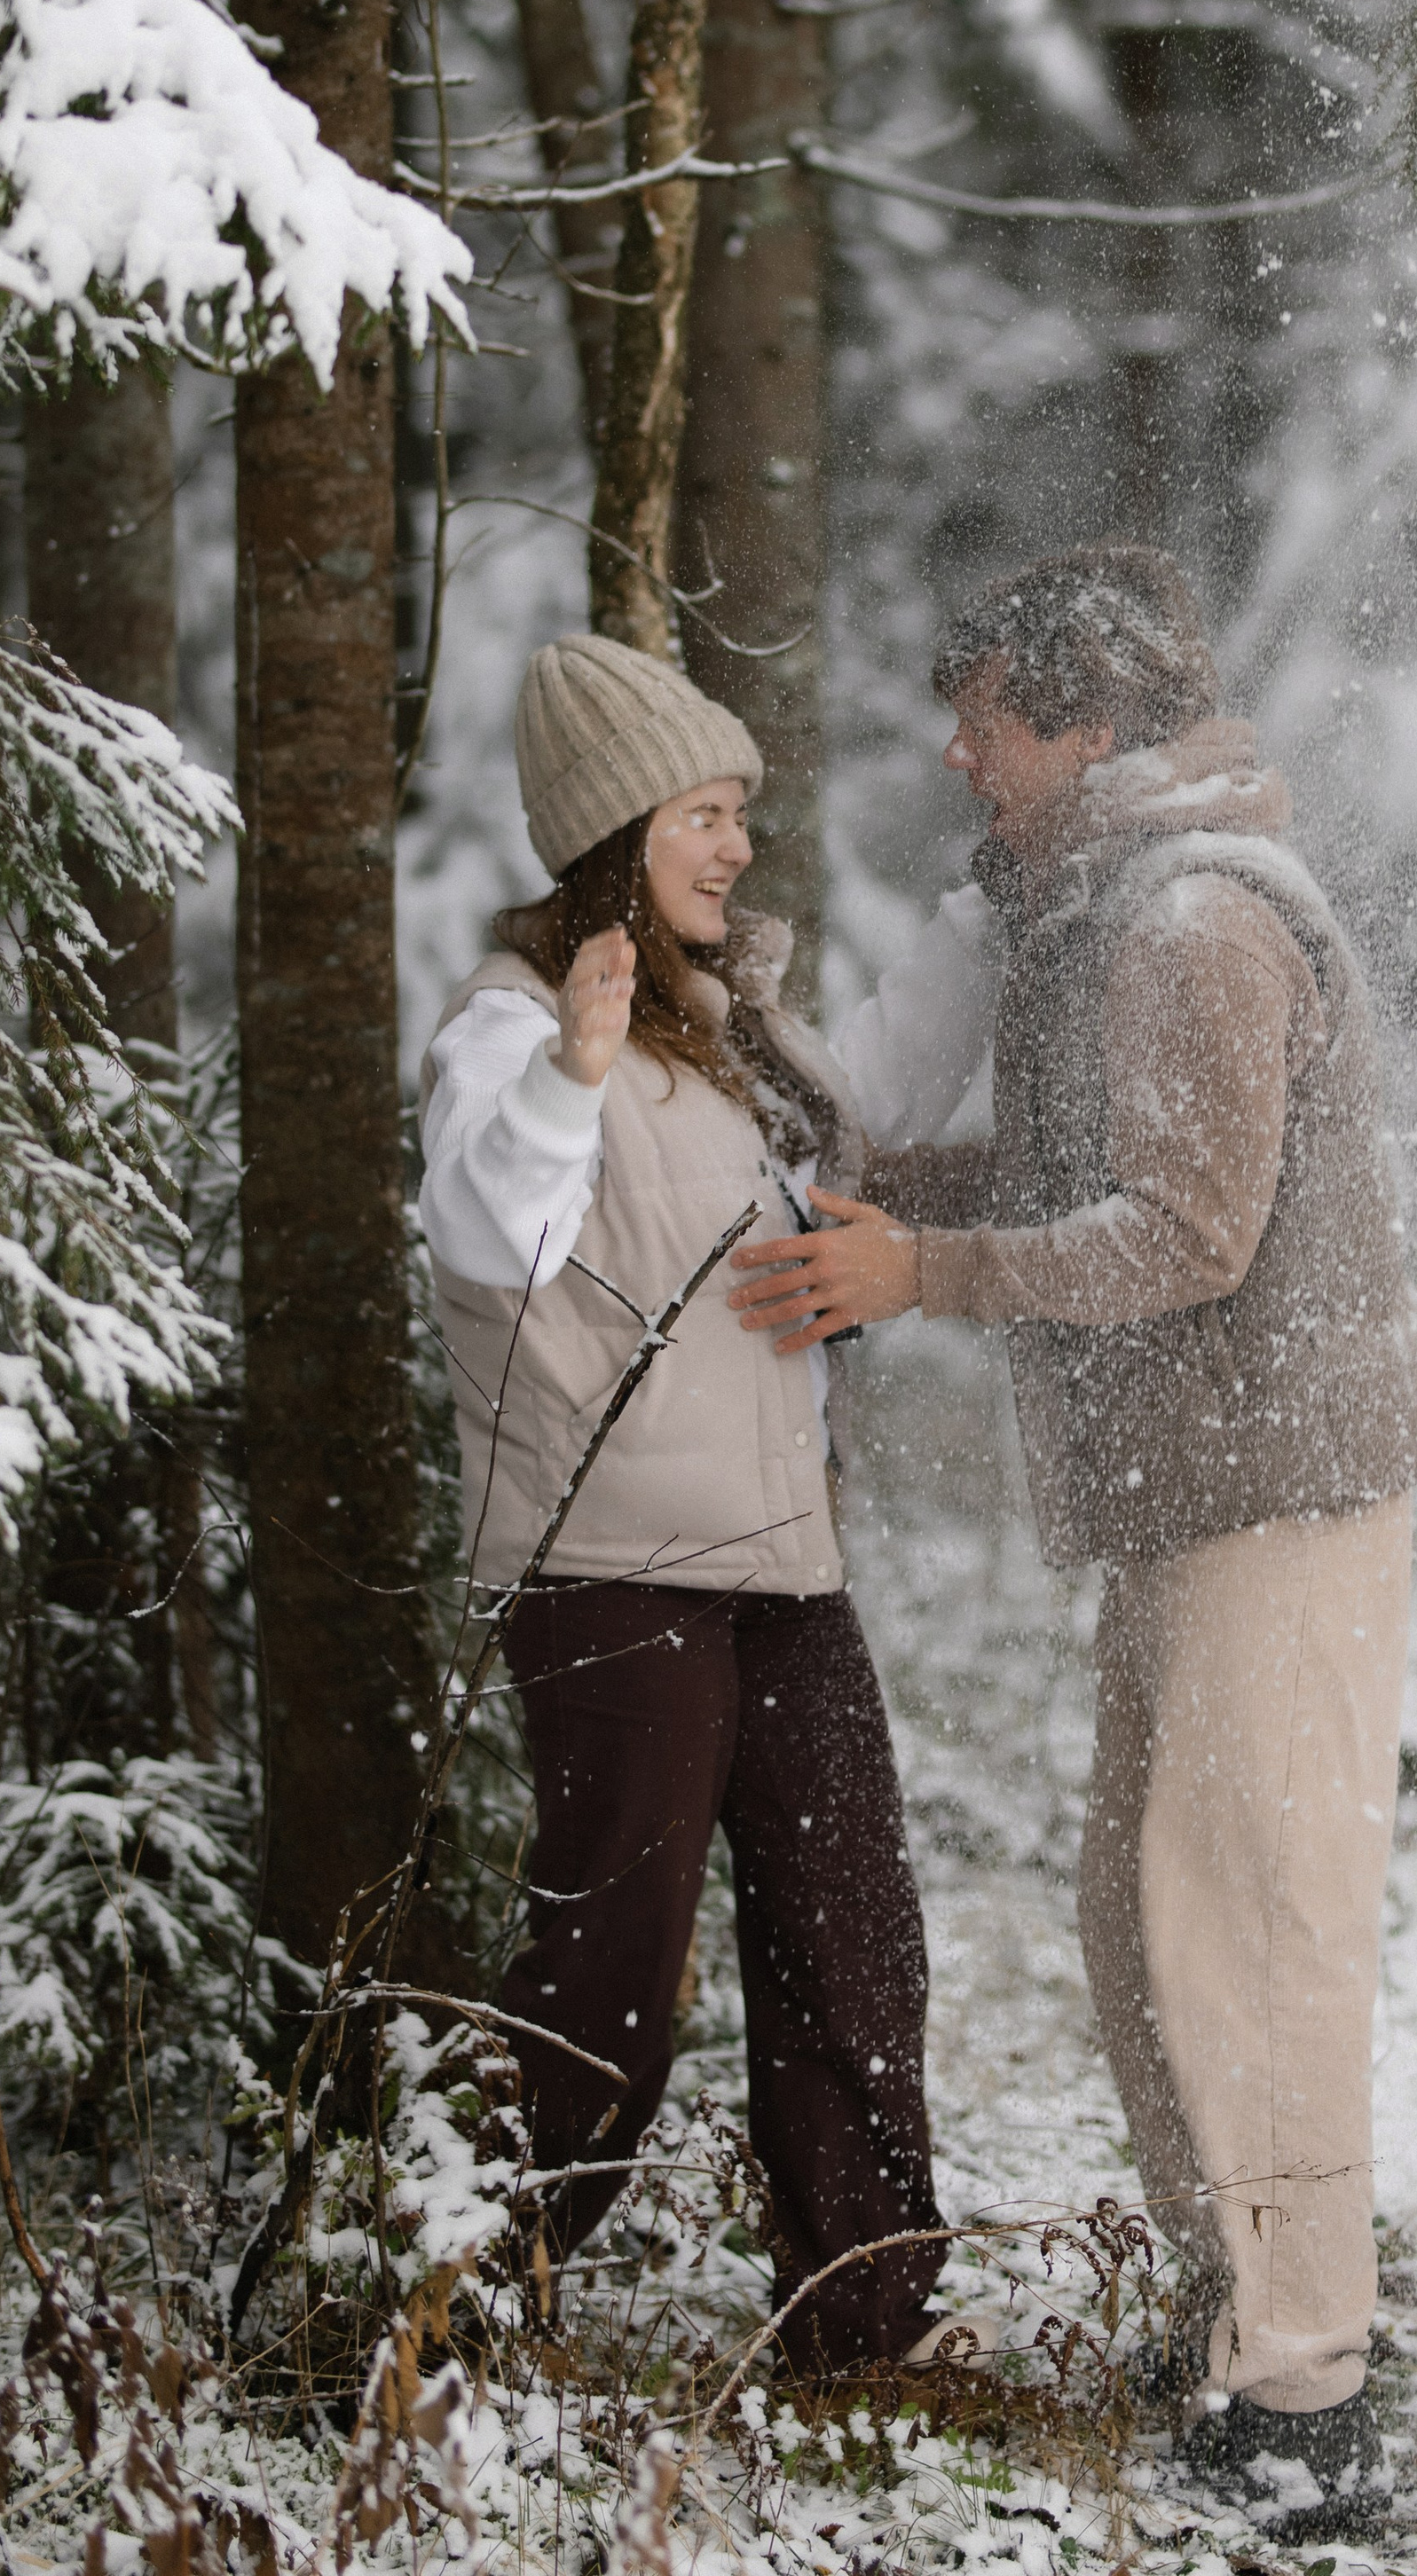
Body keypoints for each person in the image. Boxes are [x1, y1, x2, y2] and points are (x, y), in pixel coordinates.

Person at [729, 546, 1417, 2530]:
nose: (956, 751)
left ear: (1087, 724)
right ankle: (1235, 2312)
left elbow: (1182, 1235)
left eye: (985, 715)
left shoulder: (1195, 919)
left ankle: (1303, 2396)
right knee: (1145, 1935)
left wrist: (922, 1269)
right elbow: (1088, 1175)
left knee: (1255, 1936)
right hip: (1192, 1504)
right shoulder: (1100, 911)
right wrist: (873, 1187)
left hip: (1274, 1503)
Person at [418, 632, 949, 2365]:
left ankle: (859, 2318)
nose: (731, 845)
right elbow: (499, 1231)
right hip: (611, 1578)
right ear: (612, 839)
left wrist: (1001, 917)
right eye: (698, 817)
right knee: (605, 1995)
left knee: (849, 1938)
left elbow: (862, 1119)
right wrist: (571, 1074)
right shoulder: (511, 1034)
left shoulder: (725, 1033)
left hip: (782, 1566)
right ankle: (456, 2302)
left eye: (736, 813)